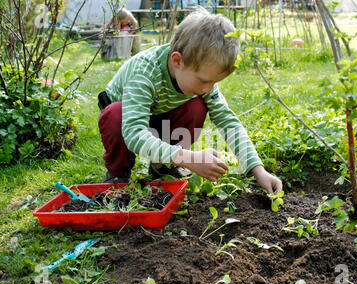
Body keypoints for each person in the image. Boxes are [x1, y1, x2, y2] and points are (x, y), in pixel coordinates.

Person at [97, 7, 282, 194]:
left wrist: (257, 170)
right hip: (127, 119)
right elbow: (134, 133)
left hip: (160, 114)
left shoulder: (198, 74)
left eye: (214, 82)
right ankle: (118, 173)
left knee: (196, 106)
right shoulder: (144, 74)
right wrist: (188, 158)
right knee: (115, 115)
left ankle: (162, 166)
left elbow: (228, 121)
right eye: (204, 81)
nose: (209, 88)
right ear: (177, 61)